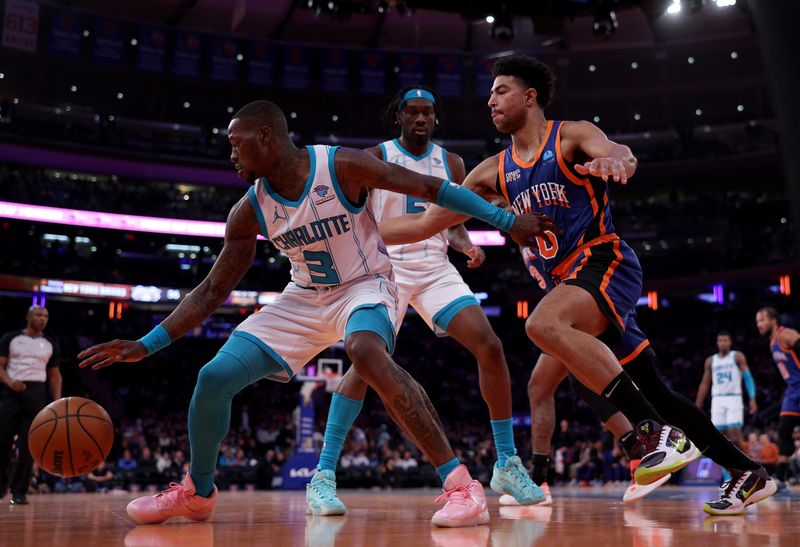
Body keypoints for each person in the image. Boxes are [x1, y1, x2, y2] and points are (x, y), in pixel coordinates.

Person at [77, 100, 556, 528]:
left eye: (236, 145)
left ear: (265, 137)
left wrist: (506, 221)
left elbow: (432, 187)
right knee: (213, 376)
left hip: (367, 284)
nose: (231, 155)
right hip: (303, 297)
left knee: (364, 350)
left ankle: (461, 485)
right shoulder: (250, 211)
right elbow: (210, 291)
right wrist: (147, 344)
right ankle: (198, 493)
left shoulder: (341, 165)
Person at [379, 54, 778, 515]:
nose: (490, 100)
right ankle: (747, 472)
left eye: (500, 91)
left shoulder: (570, 135)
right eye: (490, 93)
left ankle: (651, 433)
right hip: (571, 284)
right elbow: (428, 223)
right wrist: (358, 230)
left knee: (542, 325)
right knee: (656, 390)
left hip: (604, 261)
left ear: (530, 97)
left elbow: (616, 151)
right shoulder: (491, 172)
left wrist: (617, 162)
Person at [306, 85, 542, 517]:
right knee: (363, 366)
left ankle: (507, 461)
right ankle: (322, 475)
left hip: (434, 267)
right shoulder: (375, 155)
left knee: (489, 345)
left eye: (427, 113)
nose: (420, 119)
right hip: (384, 267)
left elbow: (448, 219)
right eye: (412, 112)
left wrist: (464, 243)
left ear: (436, 118)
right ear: (398, 116)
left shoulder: (451, 162)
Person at [0, 306, 62, 505]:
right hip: (11, 392)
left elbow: (54, 375)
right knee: (2, 441)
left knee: (28, 447)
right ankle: (2, 482)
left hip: (37, 394)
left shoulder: (51, 343)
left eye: (46, 316)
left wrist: (58, 402)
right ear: (28, 317)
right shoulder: (11, 338)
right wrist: (10, 382)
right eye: (39, 315)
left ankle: (19, 492)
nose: (43, 318)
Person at [695, 330, 757, 483]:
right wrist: (697, 404)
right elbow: (705, 383)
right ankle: (728, 476)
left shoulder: (737, 356)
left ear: (730, 342)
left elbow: (747, 377)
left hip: (734, 399)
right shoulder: (711, 360)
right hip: (717, 401)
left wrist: (752, 398)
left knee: (735, 436)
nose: (722, 343)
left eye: (725, 340)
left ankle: (747, 469)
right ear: (717, 343)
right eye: (720, 340)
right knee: (720, 440)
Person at [755, 306, 800, 485]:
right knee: (783, 431)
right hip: (792, 390)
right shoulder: (772, 341)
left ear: (773, 320)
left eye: (762, 320)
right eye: (757, 321)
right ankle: (781, 477)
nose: (759, 324)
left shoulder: (786, 335)